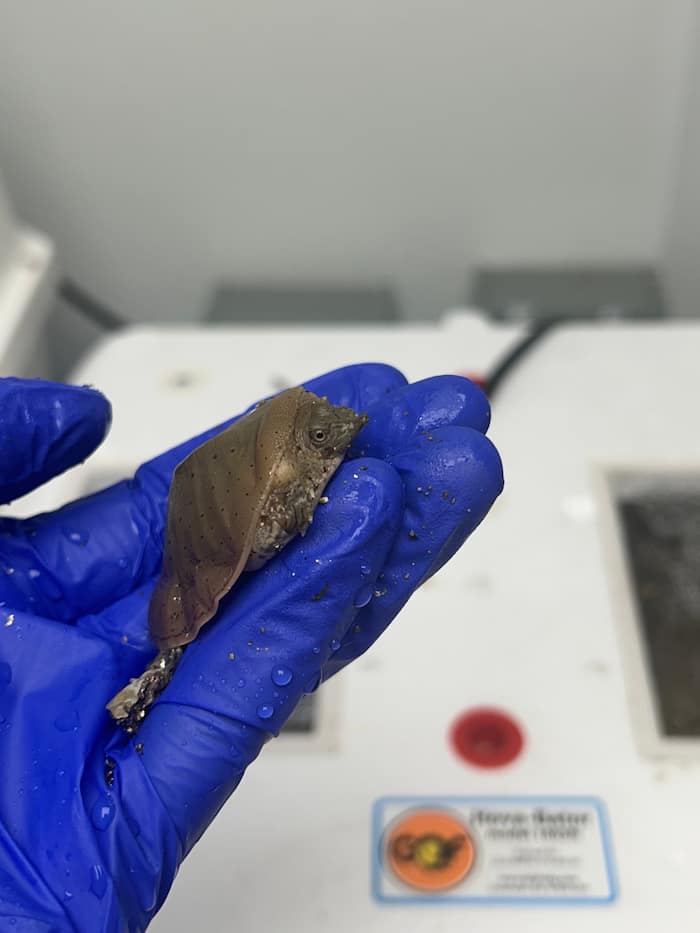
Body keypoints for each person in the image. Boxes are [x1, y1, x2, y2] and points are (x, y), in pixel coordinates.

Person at [0, 362, 503, 931]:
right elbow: (276, 518)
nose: (345, 428)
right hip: (199, 566)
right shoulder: (278, 485)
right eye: (320, 436)